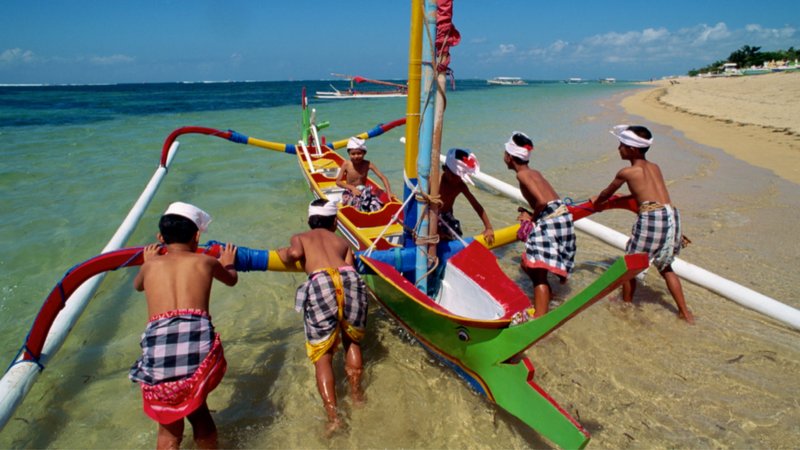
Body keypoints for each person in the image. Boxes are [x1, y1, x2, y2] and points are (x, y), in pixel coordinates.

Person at [130, 201, 238, 449]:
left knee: (168, 427)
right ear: (197, 236)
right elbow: (231, 280)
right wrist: (228, 261)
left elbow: (138, 286)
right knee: (199, 411)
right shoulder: (206, 263)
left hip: (159, 346)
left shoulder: (150, 266)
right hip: (195, 342)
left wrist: (148, 261)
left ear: (160, 237)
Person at [277, 199, 369, 434]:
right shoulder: (342, 241)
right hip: (349, 279)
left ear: (309, 221)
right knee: (351, 339)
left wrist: (285, 255)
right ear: (335, 222)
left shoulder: (301, 237)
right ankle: (357, 396)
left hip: (321, 282)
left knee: (323, 355)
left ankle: (333, 416)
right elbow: (351, 267)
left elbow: (295, 253)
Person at [592, 125, 694, 323]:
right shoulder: (655, 167)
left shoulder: (627, 172)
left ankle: (626, 305)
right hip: (671, 215)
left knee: (630, 264)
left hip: (652, 217)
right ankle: (684, 312)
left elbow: (607, 192)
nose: (619, 148)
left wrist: (597, 203)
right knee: (666, 267)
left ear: (632, 149)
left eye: (622, 145)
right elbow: (646, 193)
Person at [503, 131, 576, 318]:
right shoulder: (533, 172)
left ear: (510, 157)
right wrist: (530, 211)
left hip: (550, 218)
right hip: (562, 216)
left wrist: (532, 219)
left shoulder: (522, 176)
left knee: (537, 273)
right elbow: (544, 201)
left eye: (505, 153)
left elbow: (542, 202)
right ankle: (549, 297)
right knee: (527, 264)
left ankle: (540, 318)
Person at [438, 148, 495, 246]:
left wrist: (488, 227)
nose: (456, 180)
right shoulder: (437, 182)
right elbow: (426, 207)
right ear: (444, 169)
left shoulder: (460, 185)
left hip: (447, 216)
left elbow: (476, 205)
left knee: (456, 238)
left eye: (460, 177)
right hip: (431, 215)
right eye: (454, 176)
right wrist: (436, 230)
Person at [336, 136, 393, 212]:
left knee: (376, 205)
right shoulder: (346, 164)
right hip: (349, 191)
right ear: (349, 154)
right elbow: (338, 182)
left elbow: (383, 177)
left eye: (359, 153)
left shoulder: (368, 164)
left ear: (364, 153)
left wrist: (389, 192)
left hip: (363, 191)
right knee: (355, 206)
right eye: (353, 154)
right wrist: (352, 188)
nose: (356, 156)